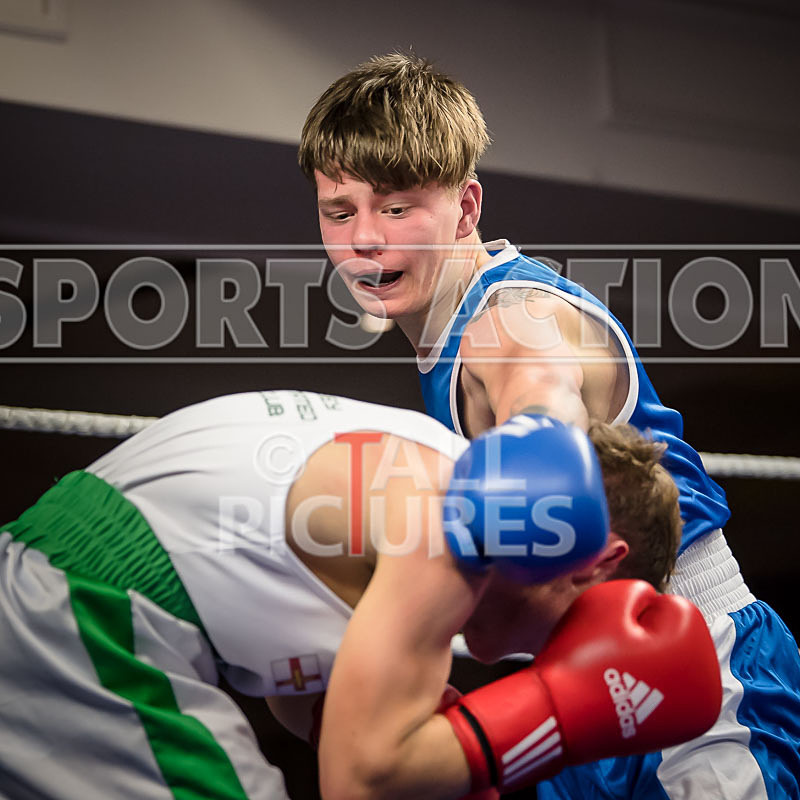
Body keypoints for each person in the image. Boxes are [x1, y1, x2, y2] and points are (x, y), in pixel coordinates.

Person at [299, 53, 800, 797]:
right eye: (340, 212)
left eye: (397, 208)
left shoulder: (511, 319)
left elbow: (544, 407)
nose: (364, 239)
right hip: (574, 671)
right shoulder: (448, 339)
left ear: (466, 207)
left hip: (692, 650)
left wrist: (538, 436)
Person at [0, 390, 719, 799]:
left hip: (59, 599)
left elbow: (292, 680)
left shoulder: (437, 472)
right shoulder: (446, 523)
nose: (548, 657)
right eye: (581, 635)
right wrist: (551, 715)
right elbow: (359, 781)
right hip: (91, 615)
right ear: (592, 563)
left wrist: (436, 752)